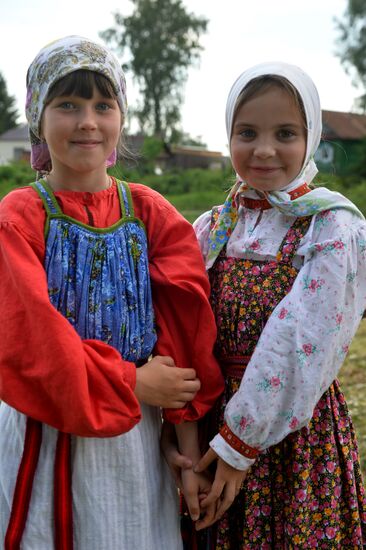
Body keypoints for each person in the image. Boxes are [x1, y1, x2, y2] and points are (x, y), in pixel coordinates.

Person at [0, 35, 224, 550]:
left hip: (136, 440)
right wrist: (130, 382)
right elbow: (33, 341)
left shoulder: (149, 211)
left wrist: (187, 454)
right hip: (50, 427)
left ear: (121, 115)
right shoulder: (21, 215)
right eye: (68, 105)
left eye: (104, 104)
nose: (87, 121)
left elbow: (185, 332)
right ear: (37, 117)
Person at [167, 62, 366, 548]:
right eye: (247, 132)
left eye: (285, 133)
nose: (263, 149)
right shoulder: (211, 228)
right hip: (209, 428)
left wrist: (240, 443)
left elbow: (304, 340)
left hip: (291, 437)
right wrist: (186, 444)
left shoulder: (331, 228)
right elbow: (177, 327)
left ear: (311, 138)